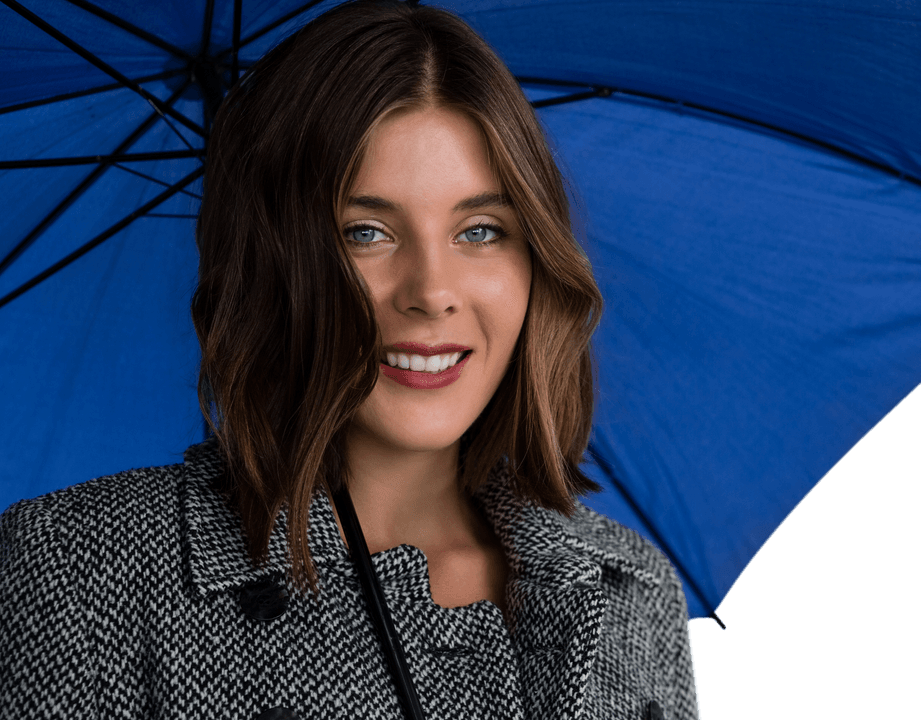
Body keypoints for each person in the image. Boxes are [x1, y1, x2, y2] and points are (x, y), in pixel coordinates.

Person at [0, 1, 700, 718]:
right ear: (272, 264)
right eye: (365, 232)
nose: (432, 292)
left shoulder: (631, 586)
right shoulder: (80, 568)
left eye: (480, 230)